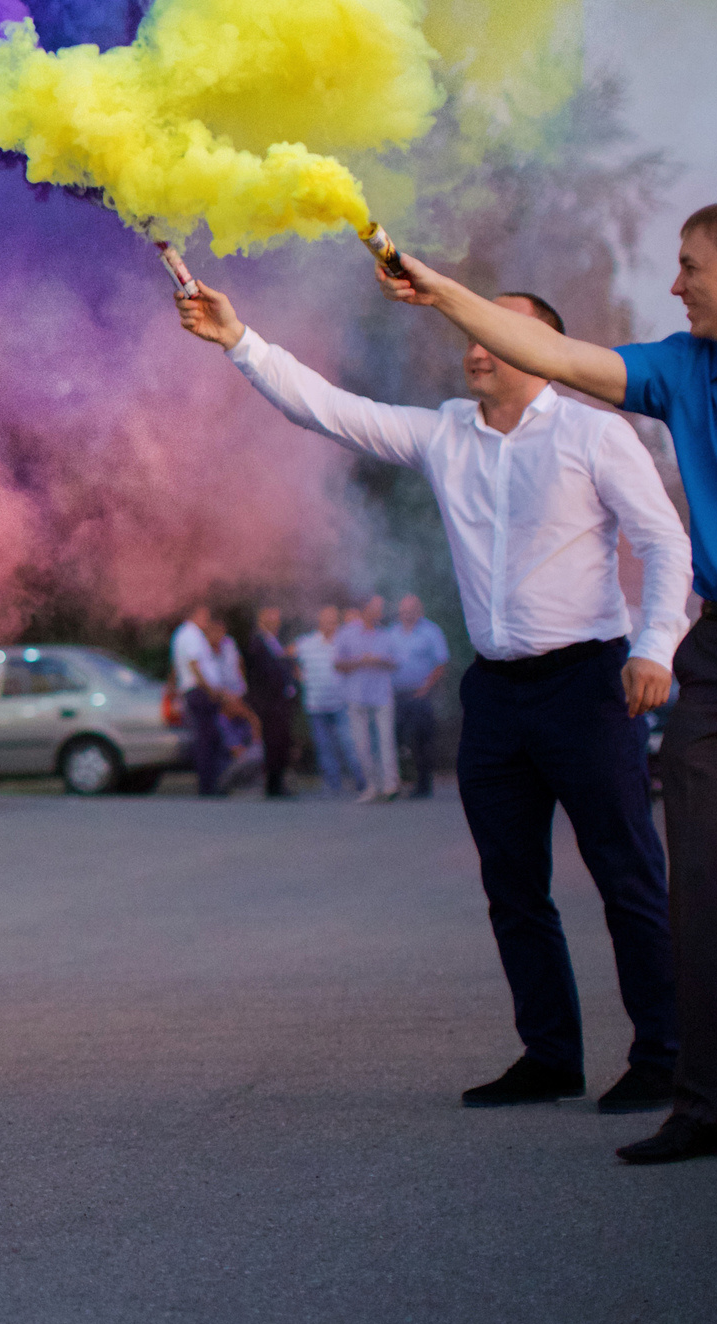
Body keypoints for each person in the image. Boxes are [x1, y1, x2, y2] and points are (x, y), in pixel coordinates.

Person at [376, 200, 717, 1165]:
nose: (675, 283)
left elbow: (655, 532)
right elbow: (551, 356)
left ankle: (673, 1072)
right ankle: (702, 1105)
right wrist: (435, 289)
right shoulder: (676, 369)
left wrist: (649, 642)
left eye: (690, 265)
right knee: (695, 883)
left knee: (643, 874)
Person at [180, 279, 690, 1118]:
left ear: (546, 352)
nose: (475, 345)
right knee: (512, 885)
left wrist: (655, 647)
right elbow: (329, 409)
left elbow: (664, 543)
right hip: (496, 691)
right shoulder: (445, 432)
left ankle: (665, 1055)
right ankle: (551, 1055)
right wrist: (239, 339)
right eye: (471, 332)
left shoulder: (596, 433)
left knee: (626, 873)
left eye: (495, 334)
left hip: (589, 684)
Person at [170, 604, 248, 797]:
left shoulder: (185, 634)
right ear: (196, 614)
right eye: (204, 615)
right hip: (200, 691)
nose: (207, 619)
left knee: (210, 736)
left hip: (199, 690)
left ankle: (211, 782)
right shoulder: (191, 634)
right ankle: (208, 785)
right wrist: (210, 689)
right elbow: (194, 665)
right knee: (207, 739)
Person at [293, 603, 363, 797]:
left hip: (341, 703)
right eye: (327, 621)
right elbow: (289, 658)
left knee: (349, 744)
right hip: (316, 704)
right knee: (324, 747)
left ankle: (362, 781)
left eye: (333, 621)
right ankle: (333, 785)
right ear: (319, 621)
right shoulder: (306, 643)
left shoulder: (344, 643)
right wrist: (301, 677)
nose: (330, 625)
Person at [336, 596, 401, 801]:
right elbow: (337, 664)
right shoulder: (347, 633)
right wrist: (360, 661)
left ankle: (390, 785)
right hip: (356, 695)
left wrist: (379, 660)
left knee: (386, 741)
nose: (380, 612)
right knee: (361, 744)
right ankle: (372, 785)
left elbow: (396, 663)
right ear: (365, 610)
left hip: (381, 696)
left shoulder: (386, 635)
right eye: (376, 608)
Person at [391, 594, 452, 798]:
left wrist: (425, 688)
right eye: (403, 611)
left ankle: (423, 785)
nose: (406, 614)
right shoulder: (392, 632)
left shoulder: (431, 631)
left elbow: (441, 663)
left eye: (411, 610)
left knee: (421, 740)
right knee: (397, 739)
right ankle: (400, 782)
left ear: (419, 611)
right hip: (397, 694)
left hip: (421, 694)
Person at [245, 606, 301, 799]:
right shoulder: (258, 643)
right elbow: (264, 672)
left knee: (281, 743)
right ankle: (273, 784)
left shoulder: (274, 641)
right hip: (270, 703)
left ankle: (278, 782)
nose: (277, 623)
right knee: (273, 743)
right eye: (272, 619)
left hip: (281, 702)